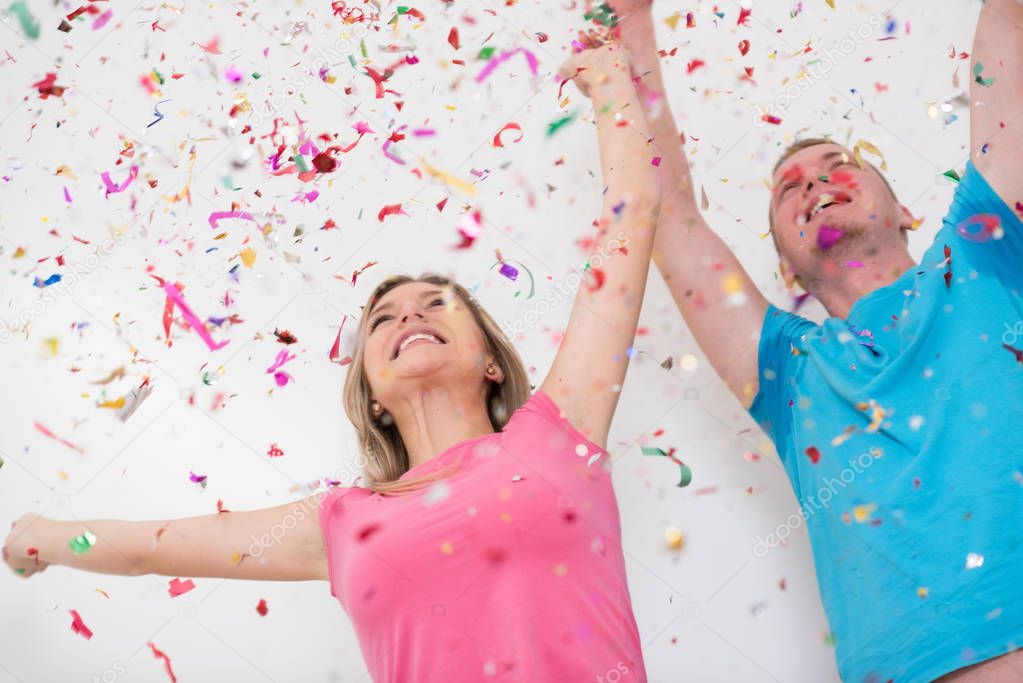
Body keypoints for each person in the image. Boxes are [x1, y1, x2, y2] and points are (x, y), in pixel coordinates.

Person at [3, 40, 661, 681]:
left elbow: (632, 216)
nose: (409, 314)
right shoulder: (341, 523)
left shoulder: (559, 428)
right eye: (383, 317)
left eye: (438, 303)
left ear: (490, 359)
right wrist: (46, 535)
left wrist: (608, 80)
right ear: (370, 392)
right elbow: (150, 548)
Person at [605, 0, 1023, 680]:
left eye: (837, 165)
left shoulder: (981, 253)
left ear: (906, 210)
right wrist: (631, 27)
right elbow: (671, 217)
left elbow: (1006, 29)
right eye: (788, 189)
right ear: (783, 266)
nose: (816, 184)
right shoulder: (789, 372)